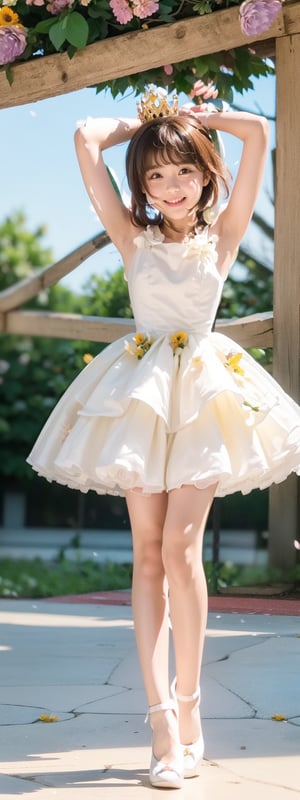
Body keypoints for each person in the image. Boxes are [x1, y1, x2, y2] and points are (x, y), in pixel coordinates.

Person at [27, 81, 300, 790]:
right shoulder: (131, 235)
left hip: (206, 393)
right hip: (143, 392)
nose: (170, 186)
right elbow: (85, 136)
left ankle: (192, 705)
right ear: (141, 187)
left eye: (183, 171)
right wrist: (142, 124)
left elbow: (257, 137)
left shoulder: (223, 237)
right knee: (147, 555)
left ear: (207, 175)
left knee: (181, 549)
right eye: (155, 174)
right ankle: (160, 723)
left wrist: (188, 119)